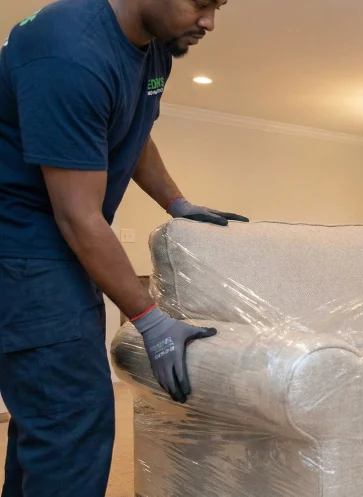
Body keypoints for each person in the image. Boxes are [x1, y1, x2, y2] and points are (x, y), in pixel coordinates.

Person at [0, 0, 246, 494]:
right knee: (73, 423)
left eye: (218, 6)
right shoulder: (71, 52)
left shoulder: (154, 45)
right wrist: (151, 321)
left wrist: (176, 202)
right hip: (22, 246)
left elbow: (134, 131)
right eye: (200, 3)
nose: (209, 22)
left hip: (59, 245)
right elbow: (77, 214)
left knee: (46, 419)